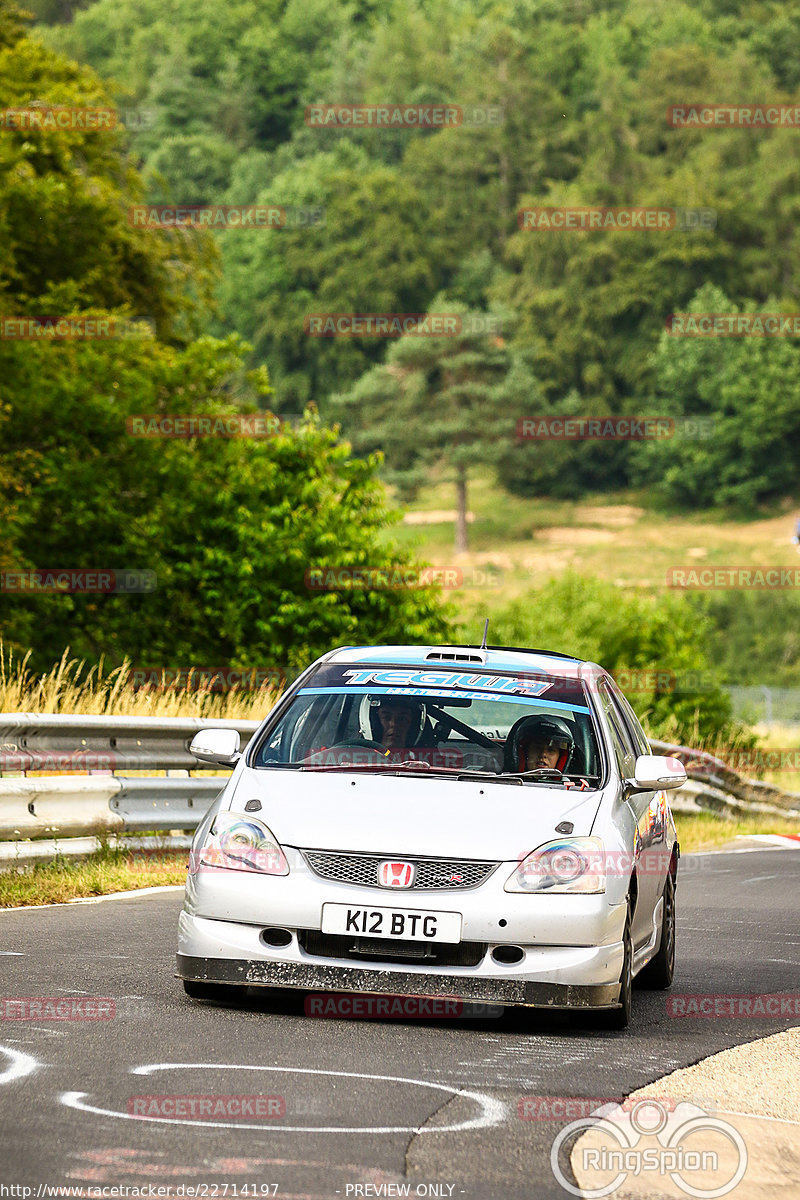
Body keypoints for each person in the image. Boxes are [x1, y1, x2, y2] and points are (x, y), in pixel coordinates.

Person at [505, 714, 575, 773]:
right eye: (537, 748)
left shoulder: (571, 788)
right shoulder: (503, 782)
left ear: (560, 757)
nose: (543, 754)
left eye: (551, 750)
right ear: (525, 752)